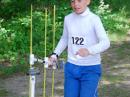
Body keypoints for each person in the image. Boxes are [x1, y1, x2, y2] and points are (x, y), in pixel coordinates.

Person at [49, 0, 110, 97]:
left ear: (88, 1)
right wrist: (55, 54)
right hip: (71, 67)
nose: (76, 4)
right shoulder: (68, 18)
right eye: (73, 1)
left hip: (91, 69)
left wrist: (89, 51)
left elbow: (106, 42)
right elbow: (65, 38)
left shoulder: (94, 19)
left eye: (79, 1)